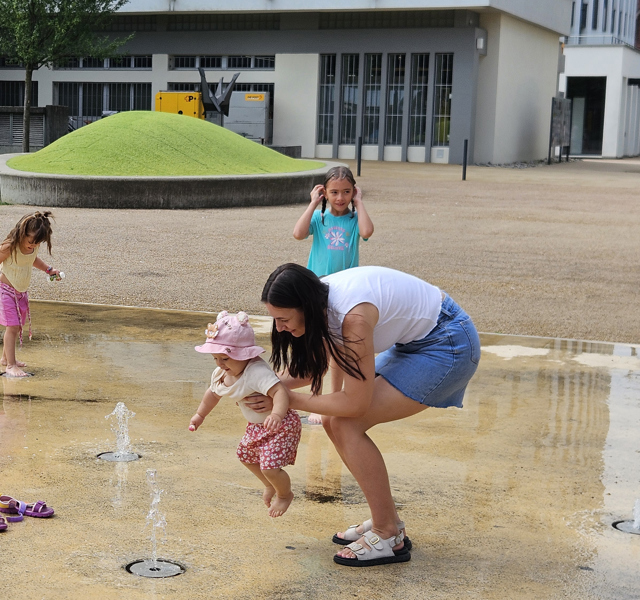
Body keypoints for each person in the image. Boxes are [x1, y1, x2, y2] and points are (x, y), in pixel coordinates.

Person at [256, 263, 480, 566]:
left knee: (346, 423)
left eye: (283, 319)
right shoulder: (320, 301)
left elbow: (354, 404)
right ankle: (387, 523)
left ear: (305, 305)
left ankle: (387, 533)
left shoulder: (353, 318)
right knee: (339, 421)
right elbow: (315, 364)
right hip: (417, 342)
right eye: (275, 319)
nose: (279, 327)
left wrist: (288, 399)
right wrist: (265, 387)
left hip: (448, 343)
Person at [188, 311, 302, 518]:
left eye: (225, 358)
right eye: (215, 358)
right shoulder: (223, 373)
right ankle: (269, 485)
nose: (220, 364)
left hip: (280, 425)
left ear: (246, 355)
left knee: (269, 466)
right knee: (245, 456)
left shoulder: (256, 371)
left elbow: (279, 391)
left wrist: (277, 414)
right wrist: (200, 415)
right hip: (256, 426)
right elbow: (212, 394)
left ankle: (285, 495)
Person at [293, 166, 374, 425]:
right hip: (319, 287)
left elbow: (367, 231)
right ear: (324, 192)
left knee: (339, 346)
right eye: (334, 192)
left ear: (354, 192)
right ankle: (315, 398)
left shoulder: (353, 219)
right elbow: (298, 233)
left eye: (347, 192)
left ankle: (333, 399)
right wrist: (313, 204)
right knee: (319, 345)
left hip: (347, 289)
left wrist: (360, 203)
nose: (341, 198)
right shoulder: (319, 219)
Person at [0, 211, 60, 378]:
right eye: (30, 241)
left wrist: (49, 270)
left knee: (16, 326)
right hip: (4, 291)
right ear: (22, 233)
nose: (32, 246)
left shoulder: (32, 248)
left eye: (37, 243)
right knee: (13, 326)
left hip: (20, 292)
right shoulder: (9, 246)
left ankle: (4, 357)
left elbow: (32, 260)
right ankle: (10, 365)